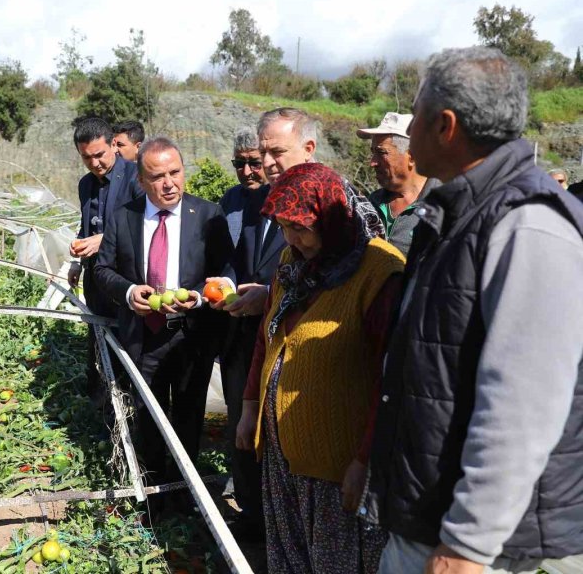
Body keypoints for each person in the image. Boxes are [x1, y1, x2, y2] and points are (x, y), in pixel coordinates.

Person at [363, 47, 583, 574]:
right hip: (430, 523)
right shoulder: (458, 215)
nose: (407, 130)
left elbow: (524, 404)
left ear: (445, 125)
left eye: (414, 114)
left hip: (494, 550)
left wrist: (468, 544)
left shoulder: (527, 223)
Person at [235, 162, 404, 573]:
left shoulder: (381, 271)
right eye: (284, 227)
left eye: (302, 227)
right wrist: (249, 407)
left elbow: (394, 377)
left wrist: (365, 460)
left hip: (336, 467)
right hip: (284, 459)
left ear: (331, 216)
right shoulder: (293, 264)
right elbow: (267, 337)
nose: (293, 239)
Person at [94, 136, 235, 495]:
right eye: (157, 177)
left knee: (189, 416)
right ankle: (153, 492)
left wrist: (201, 298)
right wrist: (129, 292)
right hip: (144, 336)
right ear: (141, 181)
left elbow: (226, 271)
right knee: (147, 416)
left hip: (190, 336)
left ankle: (185, 491)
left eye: (175, 172)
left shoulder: (208, 214)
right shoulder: (123, 217)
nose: (169, 183)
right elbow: (103, 270)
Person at [216, 127, 286, 539]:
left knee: (274, 425)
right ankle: (250, 512)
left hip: (280, 332)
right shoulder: (232, 202)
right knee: (239, 423)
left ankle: (276, 514)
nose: (246, 170)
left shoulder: (291, 201)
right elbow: (227, 259)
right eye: (239, 163)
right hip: (240, 333)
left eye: (253, 162)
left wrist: (269, 294)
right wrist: (225, 285)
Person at [69, 117, 142, 399]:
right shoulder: (86, 184)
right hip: (95, 278)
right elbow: (86, 223)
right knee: (98, 338)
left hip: (125, 280)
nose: (95, 163)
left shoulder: (136, 177)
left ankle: (128, 403)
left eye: (99, 155)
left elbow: (145, 226)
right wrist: (77, 259)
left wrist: (104, 241)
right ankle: (101, 403)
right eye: (87, 158)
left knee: (125, 345)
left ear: (113, 144)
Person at [357, 112, 441, 256]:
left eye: (382, 152)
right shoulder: (370, 204)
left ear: (412, 156)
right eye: (373, 152)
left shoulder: (442, 205)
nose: (373, 162)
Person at [257, 107, 317, 183]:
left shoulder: (330, 192)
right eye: (262, 152)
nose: (266, 163)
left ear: (307, 150)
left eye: (277, 151)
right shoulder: (256, 194)